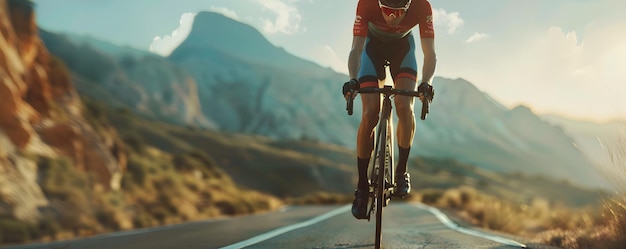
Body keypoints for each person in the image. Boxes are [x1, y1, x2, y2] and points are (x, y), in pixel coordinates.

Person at [342, 0, 437, 219]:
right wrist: (352, 80)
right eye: (386, 11)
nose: (392, 17)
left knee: (405, 106)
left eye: (398, 12)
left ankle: (401, 170)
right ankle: (363, 186)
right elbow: (356, 49)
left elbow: (430, 52)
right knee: (369, 113)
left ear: (408, 6)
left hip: (403, 50)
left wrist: (427, 82)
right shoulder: (366, 4)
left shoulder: (422, 6)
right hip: (370, 50)